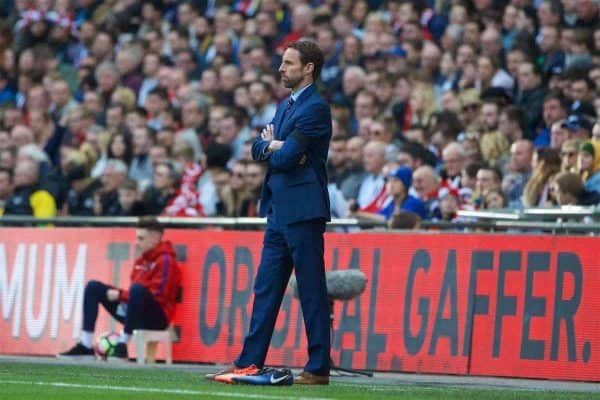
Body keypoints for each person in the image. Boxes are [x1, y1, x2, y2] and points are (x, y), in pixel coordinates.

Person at [208, 41, 332, 385]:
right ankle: (249, 361)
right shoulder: (285, 106)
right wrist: (275, 145)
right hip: (278, 210)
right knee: (266, 289)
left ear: (308, 68)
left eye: (289, 63)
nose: (281, 68)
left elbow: (284, 158)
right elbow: (258, 148)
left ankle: (318, 367)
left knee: (310, 290)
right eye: (282, 62)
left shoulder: (316, 108)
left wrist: (276, 147)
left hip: (304, 211)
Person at [58, 217, 181, 360]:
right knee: (93, 287)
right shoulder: (141, 261)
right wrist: (122, 296)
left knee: (136, 290)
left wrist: (120, 295)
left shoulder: (166, 261)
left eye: (141, 239)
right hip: (135, 312)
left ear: (155, 238)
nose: (137, 243)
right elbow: (134, 293)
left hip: (156, 318)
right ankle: (86, 345)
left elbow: (158, 295)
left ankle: (122, 345)